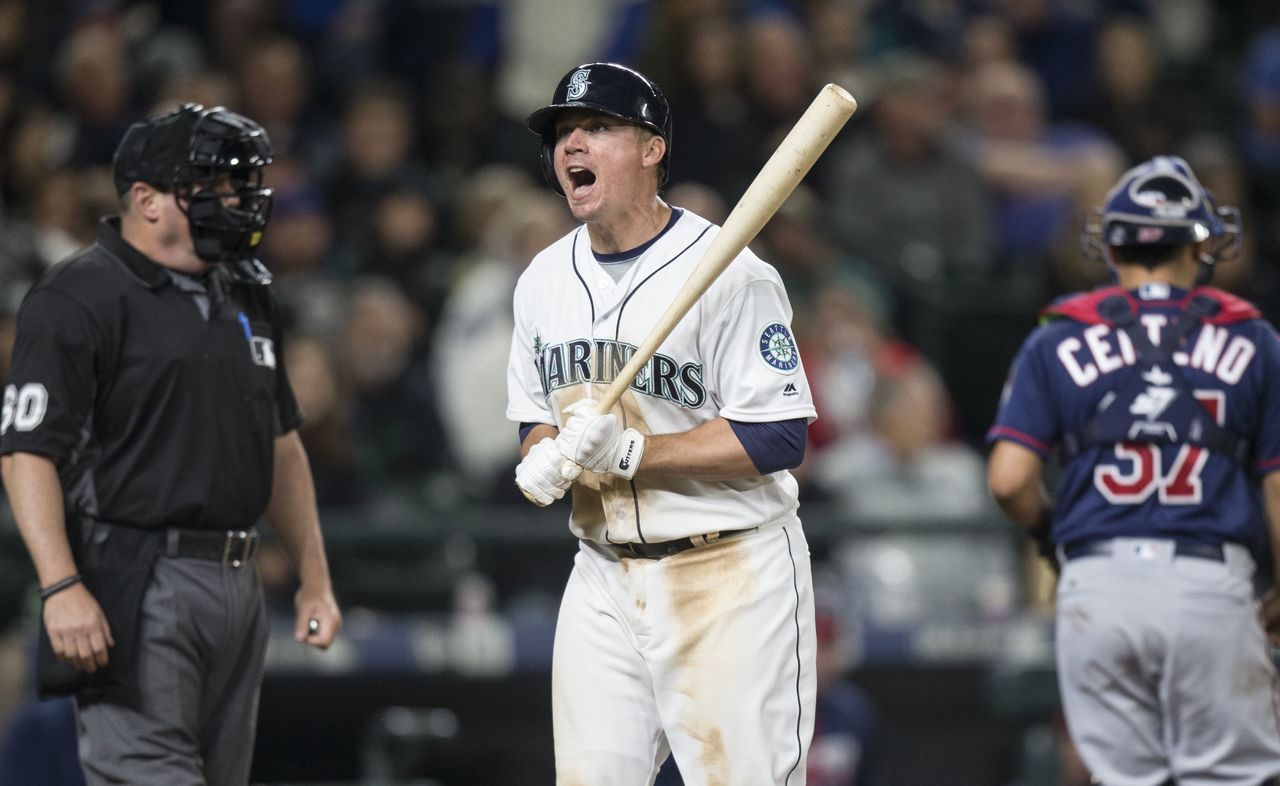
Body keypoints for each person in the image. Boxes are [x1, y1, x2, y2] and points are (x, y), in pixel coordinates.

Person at [0, 102, 343, 785]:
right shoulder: (77, 295)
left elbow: (281, 445)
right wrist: (61, 584)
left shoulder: (249, 290)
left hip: (239, 576)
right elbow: (26, 451)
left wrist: (315, 577)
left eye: (238, 183)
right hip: (135, 570)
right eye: (212, 185)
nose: (236, 200)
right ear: (147, 199)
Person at [507, 62, 818, 784]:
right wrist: (542, 453)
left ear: (653, 149)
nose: (572, 145)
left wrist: (633, 453)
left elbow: (778, 436)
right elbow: (534, 414)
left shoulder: (729, 271)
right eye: (563, 133)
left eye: (599, 128)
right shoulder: (543, 280)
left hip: (729, 572)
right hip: (601, 573)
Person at [987, 155, 1280, 785]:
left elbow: (1008, 480)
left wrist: (1049, 533)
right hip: (1209, 580)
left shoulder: (1057, 336)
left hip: (1100, 587)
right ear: (1201, 245)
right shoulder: (1253, 339)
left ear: (1110, 243)